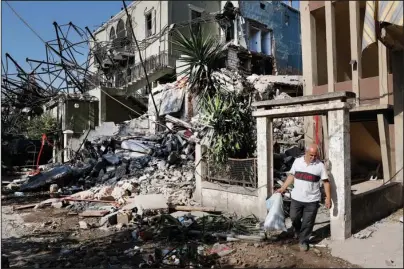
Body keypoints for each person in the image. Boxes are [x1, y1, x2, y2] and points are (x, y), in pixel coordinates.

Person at [276, 143, 331, 252]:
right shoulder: (297, 162)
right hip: (297, 198)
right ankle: (298, 230)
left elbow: (326, 182)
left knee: (308, 222)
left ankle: (303, 240)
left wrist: (328, 198)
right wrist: (282, 188)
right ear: (306, 153)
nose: (313, 158)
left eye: (315, 155)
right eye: (311, 155)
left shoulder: (320, 165)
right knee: (294, 217)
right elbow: (291, 176)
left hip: (312, 200)